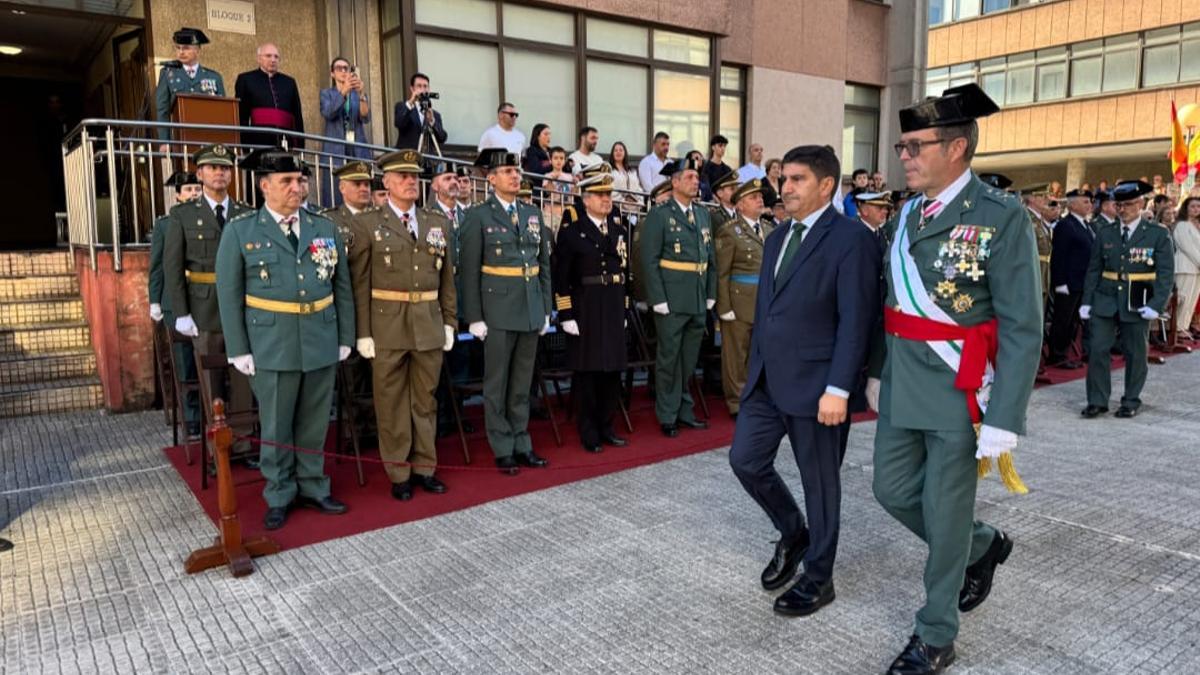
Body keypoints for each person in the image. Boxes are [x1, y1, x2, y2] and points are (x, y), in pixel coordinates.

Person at [868, 83, 1042, 675]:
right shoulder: (907, 213)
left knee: (943, 515)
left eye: (916, 146)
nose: (905, 157)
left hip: (959, 391)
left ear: (958, 148)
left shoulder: (1000, 217)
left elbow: (1022, 326)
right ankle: (984, 542)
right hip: (901, 383)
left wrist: (1005, 418)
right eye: (903, 145)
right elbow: (890, 304)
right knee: (890, 490)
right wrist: (875, 372)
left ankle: (936, 632)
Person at [729, 144, 880, 618]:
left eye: (797, 179)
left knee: (820, 484)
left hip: (819, 388)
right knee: (746, 460)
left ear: (827, 185)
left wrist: (839, 388)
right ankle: (794, 533)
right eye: (784, 178)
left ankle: (819, 578)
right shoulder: (777, 238)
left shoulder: (851, 239)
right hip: (768, 381)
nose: (785, 187)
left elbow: (857, 319)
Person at [214, 148, 355, 530]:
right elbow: (229, 293)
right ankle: (279, 492)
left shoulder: (322, 227)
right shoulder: (242, 230)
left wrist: (346, 335)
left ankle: (314, 485)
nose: (297, 188)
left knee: (313, 419)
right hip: (271, 342)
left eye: (301, 180)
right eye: (287, 182)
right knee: (276, 423)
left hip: (320, 336)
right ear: (265, 186)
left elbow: (341, 285)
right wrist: (238, 347)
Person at [346, 150, 456, 501]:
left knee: (424, 400)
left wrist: (450, 321)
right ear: (388, 182)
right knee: (391, 402)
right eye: (403, 176)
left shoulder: (437, 222)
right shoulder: (367, 224)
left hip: (427, 323)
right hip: (387, 326)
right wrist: (362, 332)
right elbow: (360, 283)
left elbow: (447, 278)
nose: (411, 182)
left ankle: (425, 466)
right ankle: (399, 471)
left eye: (415, 176)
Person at [459, 148, 552, 474]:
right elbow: (469, 271)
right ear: (491, 177)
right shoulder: (478, 216)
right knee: (497, 384)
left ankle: (522, 442)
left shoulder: (531, 213)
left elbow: (543, 265)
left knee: (522, 384)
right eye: (508, 171)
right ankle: (502, 447)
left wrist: (546, 308)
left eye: (517, 171)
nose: (515, 176)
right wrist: (474, 317)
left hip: (529, 308)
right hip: (496, 310)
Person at [163, 145, 255, 456]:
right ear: (200, 174)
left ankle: (243, 439)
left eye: (225, 167)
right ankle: (219, 447)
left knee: (243, 377)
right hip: (204, 308)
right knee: (210, 380)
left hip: (241, 308)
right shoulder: (183, 215)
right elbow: (173, 267)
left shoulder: (246, 213)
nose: (219, 172)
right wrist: (181, 312)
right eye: (212, 167)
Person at [1080, 180, 1175, 419]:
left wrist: (1157, 304)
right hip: (1105, 297)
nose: (1123, 209)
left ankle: (1131, 399)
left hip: (1137, 299)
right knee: (1098, 349)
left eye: (1129, 204)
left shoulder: (1157, 234)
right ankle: (1098, 400)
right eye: (1119, 205)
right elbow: (1094, 269)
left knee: (1135, 352)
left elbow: (1165, 273)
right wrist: (1087, 301)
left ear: (1141, 203)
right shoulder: (1105, 232)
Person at [640, 156, 717, 437]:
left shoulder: (703, 214)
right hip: (671, 299)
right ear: (674, 182)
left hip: (696, 297)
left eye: (697, 178)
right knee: (669, 359)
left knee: (688, 360)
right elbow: (649, 260)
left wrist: (711, 293)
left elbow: (710, 257)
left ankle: (684, 410)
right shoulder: (660, 215)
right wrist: (657, 298)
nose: (696, 182)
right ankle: (667, 414)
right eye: (690, 178)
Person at [552, 173, 629, 453]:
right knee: (589, 373)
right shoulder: (573, 233)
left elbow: (625, 273)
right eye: (600, 195)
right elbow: (562, 278)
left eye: (608, 195)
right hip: (585, 306)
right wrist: (566, 314)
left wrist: (624, 308)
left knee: (612, 372)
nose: (606, 199)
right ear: (586, 200)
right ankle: (589, 432)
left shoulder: (619, 232)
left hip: (611, 304)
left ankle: (607, 426)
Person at [322, 161, 377, 436]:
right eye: (357, 184)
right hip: (348, 305)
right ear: (342, 188)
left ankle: (379, 428)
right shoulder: (330, 221)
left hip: (379, 307)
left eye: (367, 183)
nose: (364, 188)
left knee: (379, 372)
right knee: (352, 371)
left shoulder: (381, 217)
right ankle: (355, 429)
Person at [149, 171, 203, 435]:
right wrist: (154, 300)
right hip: (175, 301)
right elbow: (158, 266)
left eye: (197, 189)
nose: (194, 193)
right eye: (189, 189)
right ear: (178, 194)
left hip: (203, 300)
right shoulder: (164, 224)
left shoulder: (209, 220)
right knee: (185, 364)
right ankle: (192, 418)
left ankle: (211, 412)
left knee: (207, 359)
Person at [714, 178, 774, 418]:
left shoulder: (769, 229)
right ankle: (736, 402)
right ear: (739, 205)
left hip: (763, 302)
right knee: (736, 355)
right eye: (753, 197)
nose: (759, 200)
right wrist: (724, 306)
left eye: (760, 196)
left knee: (758, 353)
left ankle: (755, 395)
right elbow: (722, 272)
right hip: (738, 304)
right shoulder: (730, 231)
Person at [1046, 189, 1094, 368]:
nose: (1089, 205)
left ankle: (1065, 352)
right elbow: (1059, 256)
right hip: (1068, 281)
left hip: (1081, 281)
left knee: (1073, 320)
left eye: (1089, 202)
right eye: (1085, 202)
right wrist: (1060, 283)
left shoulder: (1084, 224)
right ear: (1072, 204)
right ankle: (1057, 355)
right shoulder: (1066, 225)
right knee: (1063, 320)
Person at [155, 28, 224, 146]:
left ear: (197, 50)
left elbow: (221, 111)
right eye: (178, 48)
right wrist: (164, 142)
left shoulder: (214, 77)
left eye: (186, 48)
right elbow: (163, 110)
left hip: (208, 137)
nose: (181, 52)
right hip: (180, 138)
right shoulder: (167, 74)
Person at [235, 44, 305, 149]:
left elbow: (297, 116)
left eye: (276, 57)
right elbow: (241, 116)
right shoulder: (246, 79)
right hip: (257, 140)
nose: (273, 60)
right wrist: (244, 145)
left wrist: (300, 146)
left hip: (285, 140)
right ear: (259, 59)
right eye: (268, 56)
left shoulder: (289, 82)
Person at [320, 57, 370, 159]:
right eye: (339, 68)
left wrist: (361, 94)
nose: (343, 71)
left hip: (356, 148)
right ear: (332, 74)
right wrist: (344, 91)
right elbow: (329, 113)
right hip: (335, 150)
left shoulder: (356, 94)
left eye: (346, 68)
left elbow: (365, 117)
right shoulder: (326, 94)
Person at [393, 72, 447, 151]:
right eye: (419, 86)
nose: (423, 89)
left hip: (428, 161)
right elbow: (399, 123)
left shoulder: (435, 115)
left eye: (425, 86)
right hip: (409, 159)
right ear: (412, 89)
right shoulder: (402, 106)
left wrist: (432, 121)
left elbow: (442, 138)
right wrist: (411, 101)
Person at [1175, 197, 1200, 339]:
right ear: (1186, 208)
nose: (1196, 209)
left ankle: (1184, 326)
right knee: (1183, 299)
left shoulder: (1196, 225)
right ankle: (1177, 328)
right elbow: (1188, 248)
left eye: (1198, 206)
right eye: (1193, 206)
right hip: (1185, 266)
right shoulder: (1182, 225)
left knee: (1192, 299)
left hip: (1196, 268)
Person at [609, 141, 643, 215]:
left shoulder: (632, 172)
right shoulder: (610, 171)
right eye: (616, 150)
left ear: (625, 153)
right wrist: (623, 202)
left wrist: (638, 202)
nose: (618, 152)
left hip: (635, 209)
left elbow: (639, 189)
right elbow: (611, 189)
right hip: (617, 209)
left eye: (621, 150)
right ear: (612, 154)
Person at [707, 166, 740, 232]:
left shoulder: (741, 214)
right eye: (732, 189)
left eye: (737, 188)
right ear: (720, 193)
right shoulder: (715, 217)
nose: (736, 192)